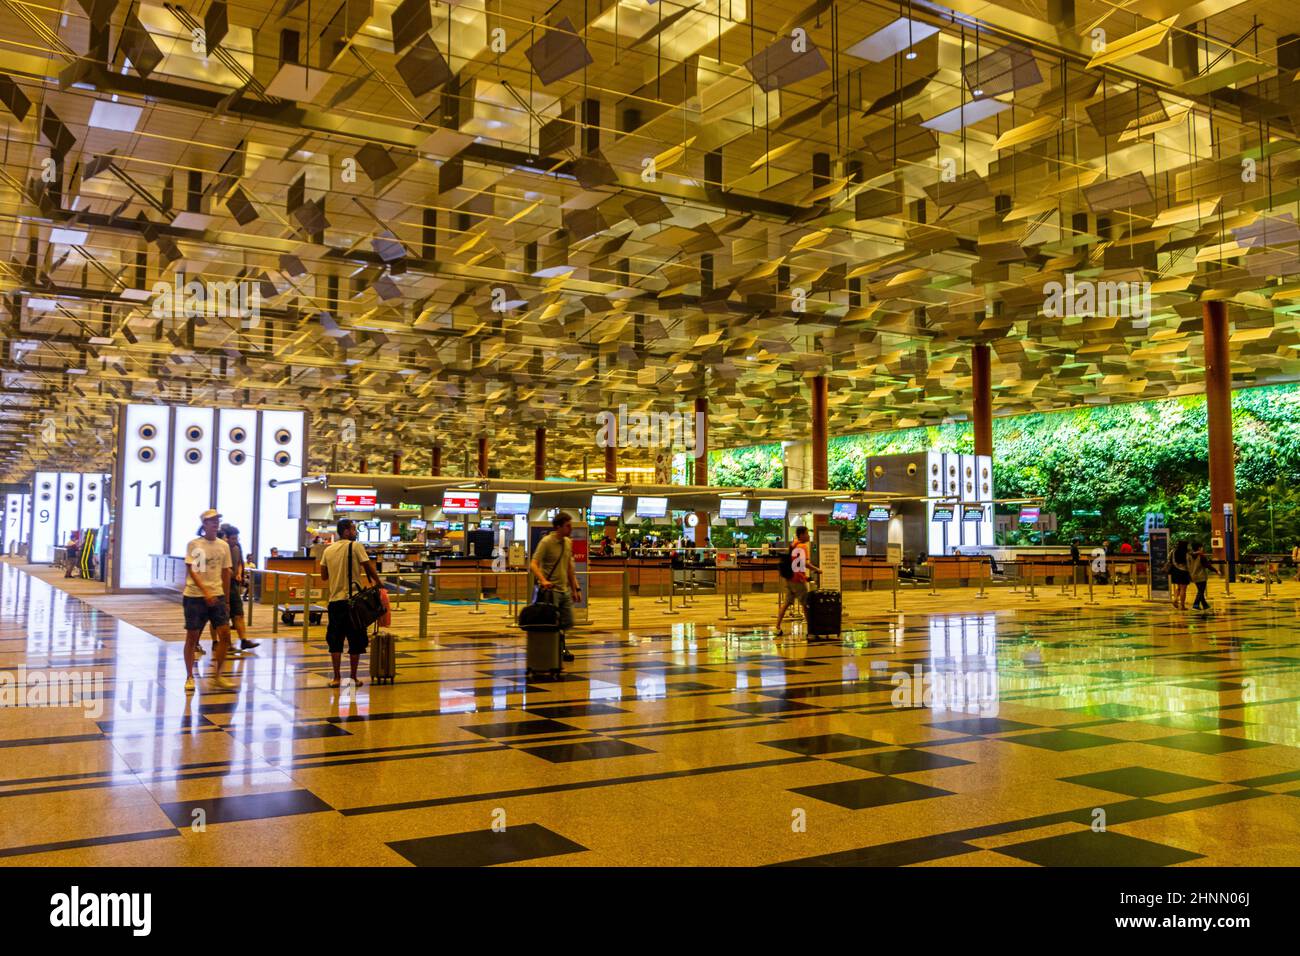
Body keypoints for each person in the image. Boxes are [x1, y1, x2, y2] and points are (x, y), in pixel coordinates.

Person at [318, 518, 380, 688]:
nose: (355, 532)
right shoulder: (356, 546)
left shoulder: (328, 550)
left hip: (335, 602)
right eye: (353, 529)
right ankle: (352, 678)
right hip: (354, 603)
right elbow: (368, 567)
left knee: (335, 640)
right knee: (356, 640)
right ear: (346, 531)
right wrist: (378, 582)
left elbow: (324, 575)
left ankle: (336, 678)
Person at [183, 509, 237, 694]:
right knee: (192, 636)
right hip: (195, 596)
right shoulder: (194, 544)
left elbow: (226, 572)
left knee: (225, 635)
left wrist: (227, 599)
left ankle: (218, 675)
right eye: (211, 520)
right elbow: (192, 571)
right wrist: (205, 591)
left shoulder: (223, 546)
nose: (215, 523)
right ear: (204, 524)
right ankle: (189, 676)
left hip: (218, 595)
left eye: (217, 520)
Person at [529, 511, 581, 663]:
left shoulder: (568, 543)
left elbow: (569, 568)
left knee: (568, 620)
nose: (571, 528)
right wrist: (543, 580)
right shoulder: (546, 542)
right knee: (552, 622)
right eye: (568, 526)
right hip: (550, 591)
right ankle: (560, 648)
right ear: (558, 527)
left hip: (564, 590)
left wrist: (575, 588)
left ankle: (558, 645)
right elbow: (533, 563)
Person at [218, 524, 259, 653]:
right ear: (226, 538)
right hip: (222, 585)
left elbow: (240, 562)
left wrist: (238, 573)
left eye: (237, 538)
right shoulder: (221, 548)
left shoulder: (237, 548)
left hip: (234, 585)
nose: (235, 541)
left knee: (239, 614)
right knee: (223, 616)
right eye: (233, 538)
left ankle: (243, 640)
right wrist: (228, 572)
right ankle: (226, 643)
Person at [775, 526, 820, 636]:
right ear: (801, 535)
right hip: (798, 580)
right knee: (806, 604)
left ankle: (777, 627)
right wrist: (817, 569)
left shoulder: (793, 545)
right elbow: (804, 563)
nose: (809, 536)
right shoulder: (802, 547)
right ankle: (811, 630)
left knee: (786, 604)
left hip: (790, 579)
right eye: (807, 533)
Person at [1189, 541, 1219, 611]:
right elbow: (1207, 565)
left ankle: (1205, 605)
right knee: (1201, 591)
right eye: (1202, 547)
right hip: (1201, 576)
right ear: (1199, 548)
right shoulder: (1201, 556)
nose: (1202, 548)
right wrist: (1216, 570)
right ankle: (1195, 605)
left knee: (1200, 590)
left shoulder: (1189, 556)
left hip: (1193, 575)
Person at [1169, 539, 1191, 610]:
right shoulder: (1186, 553)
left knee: (1178, 587)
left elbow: (1168, 558)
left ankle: (1175, 599)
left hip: (1175, 571)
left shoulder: (1173, 551)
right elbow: (1188, 563)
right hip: (1184, 571)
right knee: (1183, 589)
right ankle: (1182, 605)